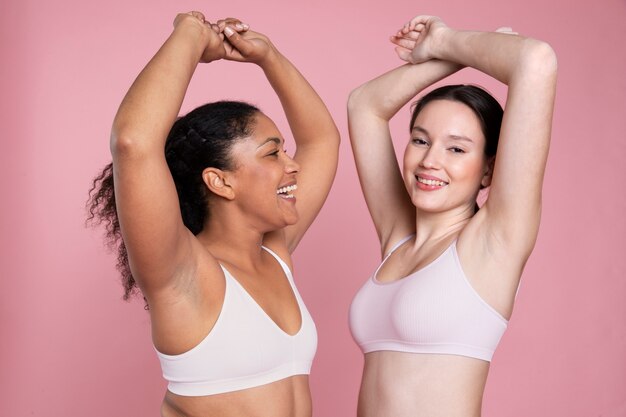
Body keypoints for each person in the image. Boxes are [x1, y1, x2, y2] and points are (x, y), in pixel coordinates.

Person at [87, 11, 339, 417]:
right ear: (220, 182)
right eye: (273, 153)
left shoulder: (274, 253)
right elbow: (134, 142)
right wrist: (189, 33)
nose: (292, 166)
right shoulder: (180, 271)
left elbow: (322, 139)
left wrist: (268, 56)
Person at [347, 15, 557, 416]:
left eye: (456, 149)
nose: (430, 161)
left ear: (488, 171)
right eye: (420, 140)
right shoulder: (398, 239)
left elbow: (535, 60)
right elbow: (364, 105)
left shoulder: (493, 241)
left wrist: (445, 40)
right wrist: (444, 58)